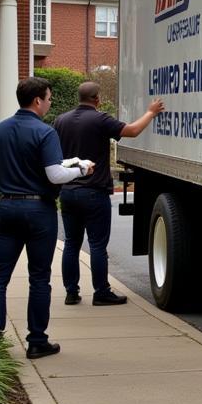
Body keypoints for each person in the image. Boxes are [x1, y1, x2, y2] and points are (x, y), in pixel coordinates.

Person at [0, 77, 95, 358]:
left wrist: (0, 201)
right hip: (39, 211)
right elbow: (54, 174)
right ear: (37, 101)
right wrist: (82, 170)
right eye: (49, 98)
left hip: (8, 207)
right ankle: (37, 341)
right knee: (39, 278)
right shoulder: (45, 133)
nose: (50, 102)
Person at [54, 82, 164, 306]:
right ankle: (101, 292)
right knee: (96, 245)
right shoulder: (100, 119)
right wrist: (151, 112)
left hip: (68, 192)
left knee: (72, 243)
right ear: (96, 99)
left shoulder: (60, 121)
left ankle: (71, 292)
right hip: (94, 191)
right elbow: (132, 131)